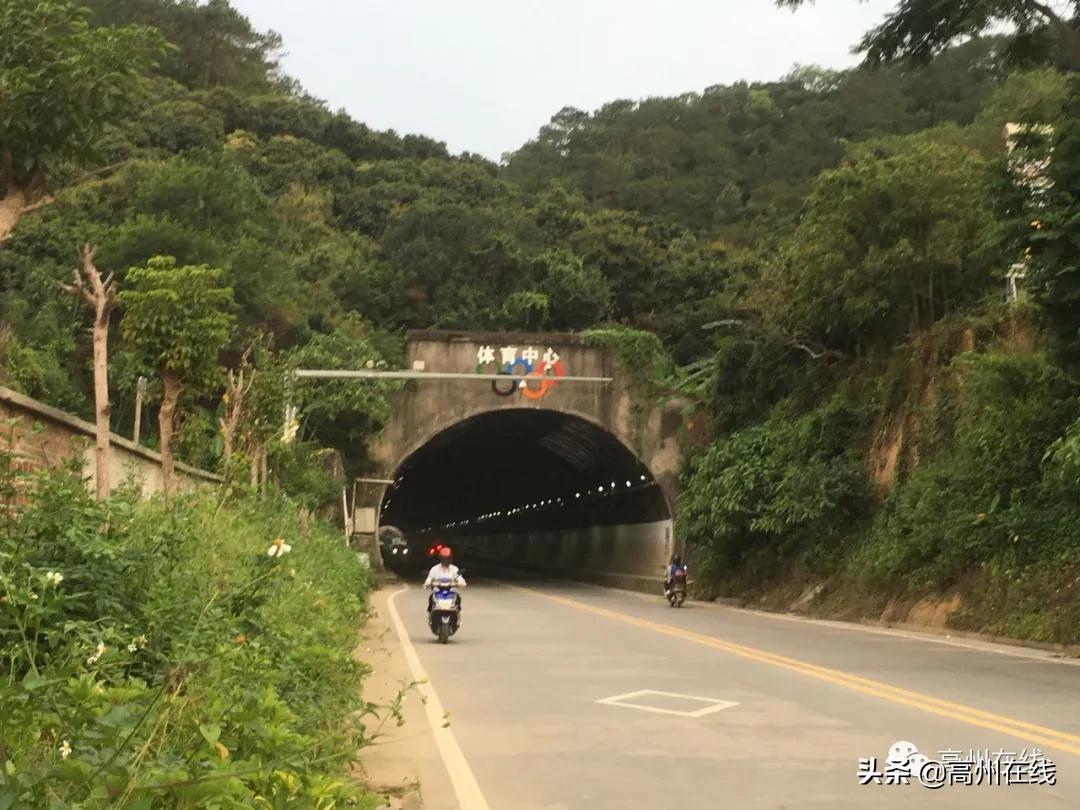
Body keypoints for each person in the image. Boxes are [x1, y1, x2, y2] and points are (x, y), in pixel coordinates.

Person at [425, 546, 466, 612]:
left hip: (451, 592)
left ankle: (457, 615)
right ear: (440, 558)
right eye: (444, 558)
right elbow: (429, 578)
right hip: (437, 592)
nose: (446, 560)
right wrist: (428, 583)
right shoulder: (434, 569)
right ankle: (431, 614)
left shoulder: (454, 569)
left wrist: (461, 583)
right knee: (431, 597)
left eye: (448, 558)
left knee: (458, 597)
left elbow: (459, 578)